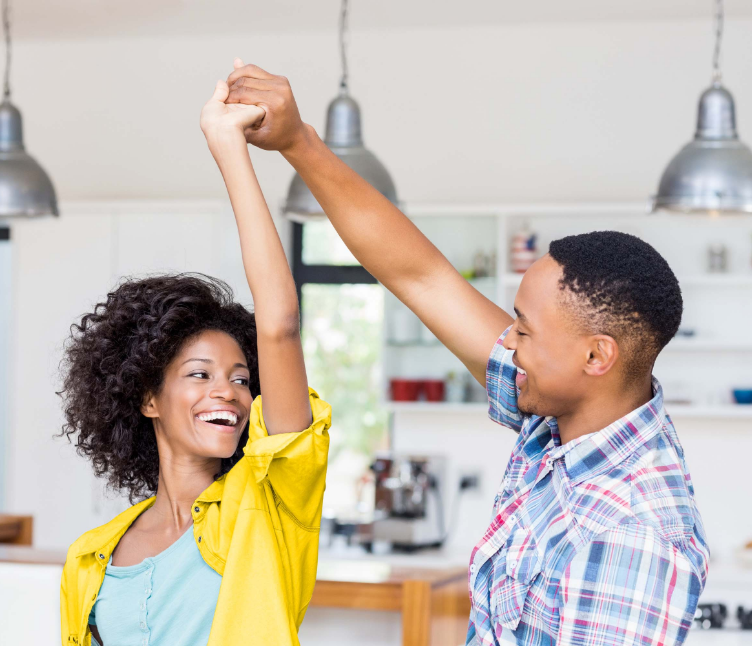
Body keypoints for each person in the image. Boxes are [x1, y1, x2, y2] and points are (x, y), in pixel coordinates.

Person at [225, 64, 709, 645]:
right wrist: (299, 141)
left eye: (524, 330)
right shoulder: (564, 420)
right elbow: (422, 277)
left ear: (596, 356)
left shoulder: (633, 529)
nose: (505, 340)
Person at [58, 61, 331, 646]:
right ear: (148, 398)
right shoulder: (91, 558)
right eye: (199, 374)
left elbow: (278, 323)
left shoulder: (271, 503)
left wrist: (228, 146)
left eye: (239, 377)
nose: (228, 392)